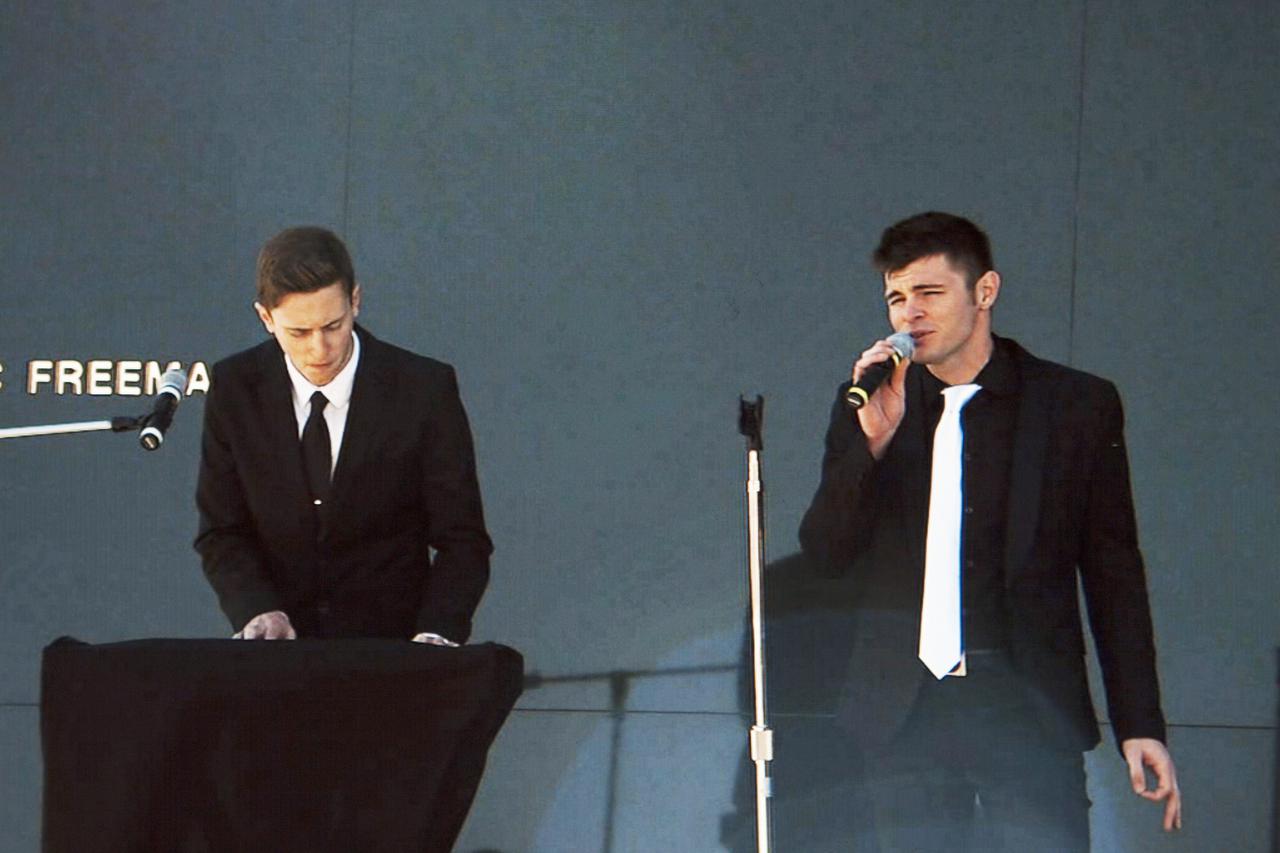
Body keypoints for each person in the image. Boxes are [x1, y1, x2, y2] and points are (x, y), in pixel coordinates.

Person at [798, 212, 1180, 850]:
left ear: (985, 292)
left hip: (1027, 704)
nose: (910, 313)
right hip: (902, 711)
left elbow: (1114, 571)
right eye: (896, 297)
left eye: (930, 292)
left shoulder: (1076, 406)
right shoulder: (869, 404)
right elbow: (827, 553)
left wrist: (1140, 721)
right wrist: (871, 446)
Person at [195, 226, 492, 645]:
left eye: (333, 325)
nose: (320, 349)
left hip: (392, 660)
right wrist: (257, 609)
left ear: (355, 300)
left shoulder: (423, 389)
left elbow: (463, 539)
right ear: (265, 318)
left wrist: (436, 632)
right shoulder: (234, 387)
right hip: (276, 666)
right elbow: (222, 530)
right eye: (298, 333)